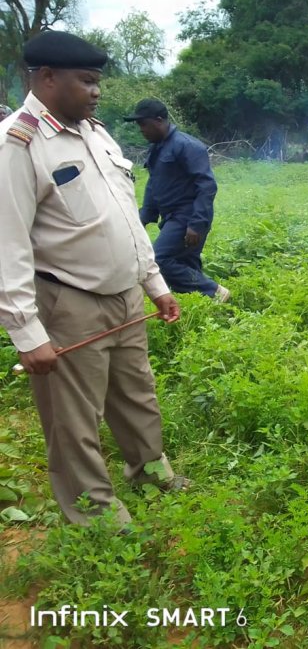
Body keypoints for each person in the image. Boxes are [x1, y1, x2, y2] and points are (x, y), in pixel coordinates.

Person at [0, 31, 189, 528]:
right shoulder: (18, 145)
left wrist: (156, 285)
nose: (96, 91)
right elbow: (8, 244)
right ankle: (96, 515)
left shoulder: (96, 133)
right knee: (73, 417)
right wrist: (26, 332)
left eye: (97, 82)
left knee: (136, 394)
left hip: (125, 296)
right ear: (46, 78)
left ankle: (150, 472)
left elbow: (126, 218)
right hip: (69, 303)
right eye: (86, 81)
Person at [125, 98, 229, 301]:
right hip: (172, 217)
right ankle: (205, 304)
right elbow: (154, 185)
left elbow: (207, 186)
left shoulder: (187, 146)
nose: (141, 130)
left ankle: (214, 292)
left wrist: (196, 224)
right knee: (185, 263)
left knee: (159, 259)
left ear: (159, 120)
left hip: (188, 216)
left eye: (143, 124)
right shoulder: (157, 148)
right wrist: (144, 217)